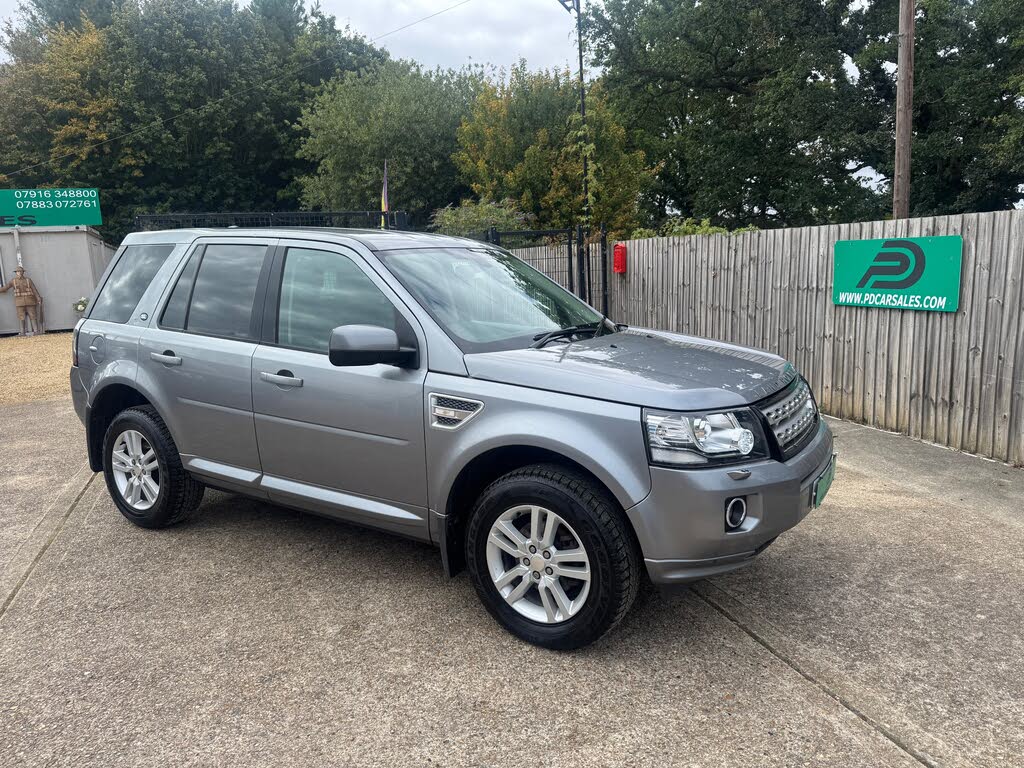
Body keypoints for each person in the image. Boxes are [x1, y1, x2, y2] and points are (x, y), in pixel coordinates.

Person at [0, 265, 43, 336]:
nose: (19, 273)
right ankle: (22, 332)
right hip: (19, 303)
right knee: (21, 316)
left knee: (33, 316)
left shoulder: (28, 280)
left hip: (30, 301)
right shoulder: (13, 281)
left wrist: (38, 298)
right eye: (17, 272)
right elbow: (5, 288)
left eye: (20, 271)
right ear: (16, 273)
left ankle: (36, 331)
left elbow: (34, 290)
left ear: (23, 272)